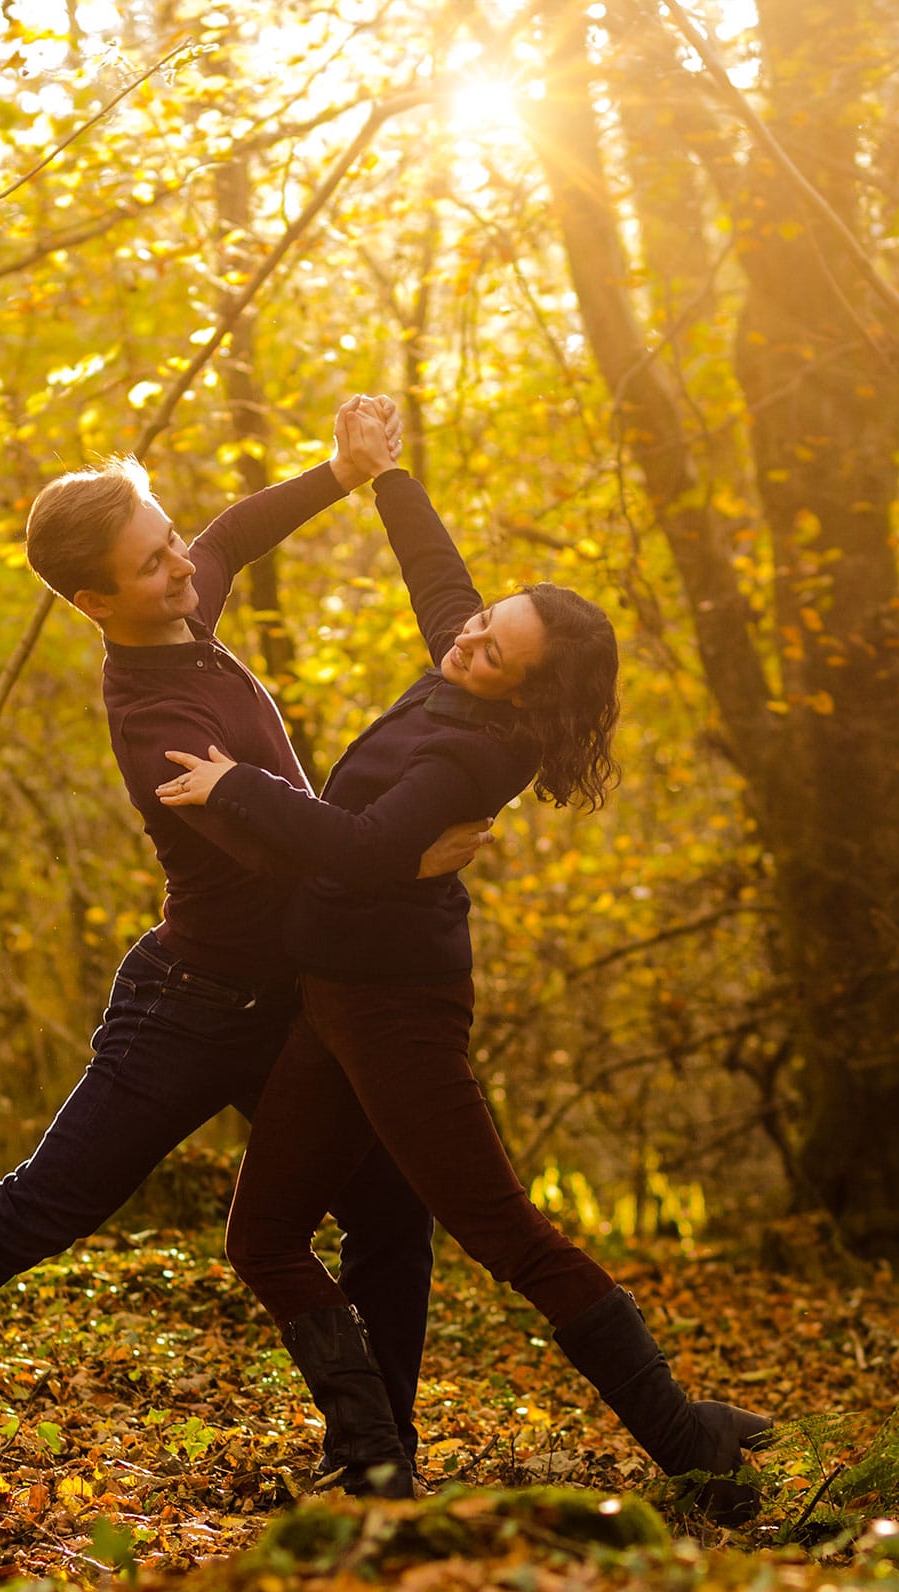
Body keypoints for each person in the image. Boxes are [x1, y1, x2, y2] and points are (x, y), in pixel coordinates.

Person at [0, 398, 484, 1489]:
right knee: (44, 1206)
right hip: (193, 1004)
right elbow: (290, 861)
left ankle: (376, 1457)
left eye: (167, 541)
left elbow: (227, 538)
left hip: (298, 997)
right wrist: (409, 854)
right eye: (152, 561)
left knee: (389, 1208)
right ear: (93, 601)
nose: (181, 564)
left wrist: (341, 472)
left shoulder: (176, 599)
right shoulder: (155, 722)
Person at [153, 404, 770, 1520]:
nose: (469, 639)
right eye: (485, 621)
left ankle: (694, 1447)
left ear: (526, 689)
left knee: (501, 1231)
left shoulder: (476, 750)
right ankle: (374, 1462)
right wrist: (383, 477)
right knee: (263, 1233)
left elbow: (368, 849)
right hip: (334, 994)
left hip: (396, 1009)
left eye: (496, 649)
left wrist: (232, 787)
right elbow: (439, 579)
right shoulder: (468, 664)